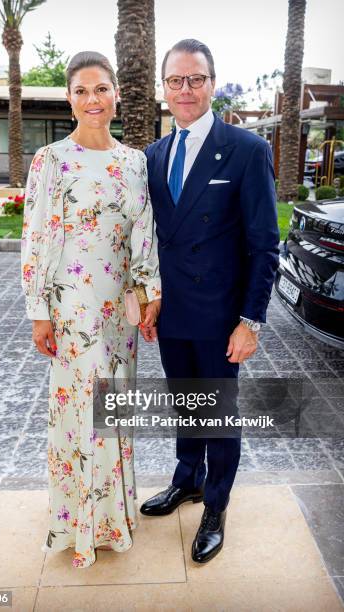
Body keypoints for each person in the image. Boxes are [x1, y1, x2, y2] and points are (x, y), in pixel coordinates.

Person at [139, 39, 280, 564]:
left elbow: (265, 242)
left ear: (213, 84)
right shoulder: (153, 156)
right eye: (175, 80)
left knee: (219, 415)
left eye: (195, 79)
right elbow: (148, 238)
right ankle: (187, 480)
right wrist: (146, 299)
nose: (185, 90)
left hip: (222, 316)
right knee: (186, 407)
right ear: (163, 88)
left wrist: (252, 321)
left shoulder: (245, 150)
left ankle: (215, 506)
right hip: (172, 314)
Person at [21, 51, 161, 568]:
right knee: (83, 413)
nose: (92, 99)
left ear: (116, 94)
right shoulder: (51, 160)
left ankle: (111, 519)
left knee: (114, 408)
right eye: (81, 91)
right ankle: (79, 526)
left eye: (100, 88)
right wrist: (39, 310)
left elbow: (142, 233)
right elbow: (35, 238)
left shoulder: (134, 161)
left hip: (118, 310)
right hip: (72, 310)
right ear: (69, 99)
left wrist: (150, 296)